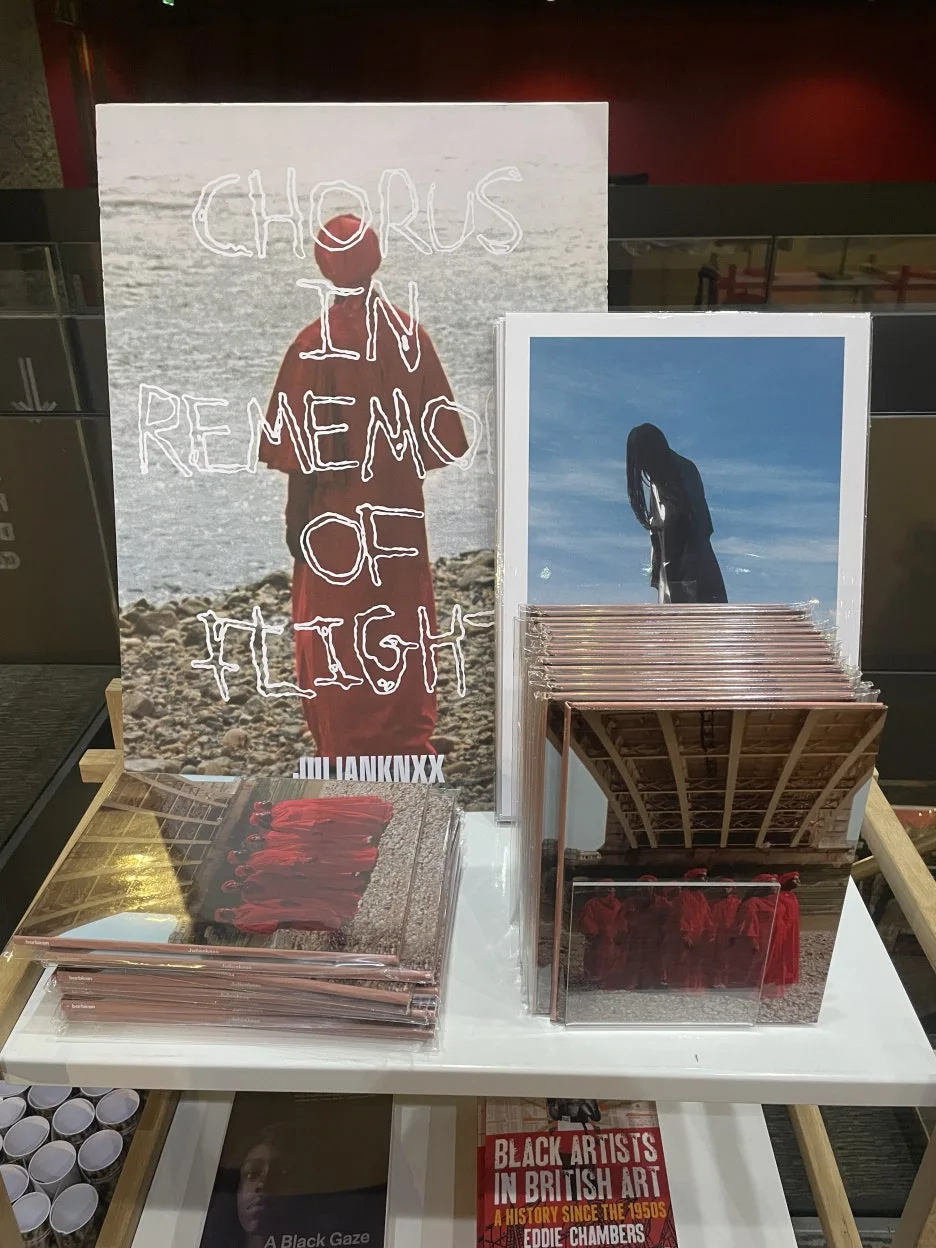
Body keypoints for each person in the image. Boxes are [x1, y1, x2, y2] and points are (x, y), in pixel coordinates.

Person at [258, 215, 468, 758]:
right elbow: (440, 440)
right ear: (374, 258)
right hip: (398, 515)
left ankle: (346, 746)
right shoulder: (411, 337)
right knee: (400, 617)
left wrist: (294, 524)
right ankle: (405, 741)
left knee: (336, 626)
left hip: (334, 519)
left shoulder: (311, 345)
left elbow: (299, 460)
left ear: (323, 265)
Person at [625, 423, 727, 604]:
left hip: (690, 575)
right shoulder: (661, 481)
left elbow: (698, 526)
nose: (642, 467)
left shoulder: (680, 473)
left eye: (642, 458)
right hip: (678, 575)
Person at [613, 875, 671, 990]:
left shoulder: (661, 902)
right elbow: (621, 919)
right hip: (635, 937)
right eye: (643, 885)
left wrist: (665, 934)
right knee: (634, 960)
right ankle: (633, 982)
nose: (646, 888)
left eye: (649, 885)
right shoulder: (629, 902)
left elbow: (669, 919)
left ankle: (658, 981)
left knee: (655, 961)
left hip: (654, 937)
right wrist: (621, 934)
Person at [665, 867, 715, 990]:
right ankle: (681, 989)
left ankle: (694, 988)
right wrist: (686, 937)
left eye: (704, 879)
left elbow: (706, 916)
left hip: (698, 937)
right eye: (701, 879)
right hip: (683, 938)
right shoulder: (683, 897)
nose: (704, 881)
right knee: (682, 963)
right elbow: (682, 917)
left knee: (695, 964)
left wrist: (710, 933)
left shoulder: (700, 896)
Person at [577, 884, 621, 985]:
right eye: (606, 888)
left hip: (613, 936)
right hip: (598, 937)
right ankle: (595, 975)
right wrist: (592, 931)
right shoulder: (592, 903)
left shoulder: (617, 903)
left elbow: (622, 917)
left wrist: (621, 931)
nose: (609, 891)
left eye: (611, 888)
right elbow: (586, 919)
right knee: (596, 956)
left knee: (613, 955)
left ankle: (609, 976)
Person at [710, 878, 741, 989]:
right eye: (723, 886)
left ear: (732, 888)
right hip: (716, 934)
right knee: (716, 958)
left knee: (728, 959)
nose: (724, 889)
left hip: (730, 934)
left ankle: (726, 981)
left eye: (727, 886)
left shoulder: (737, 903)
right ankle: (715, 980)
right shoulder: (713, 902)